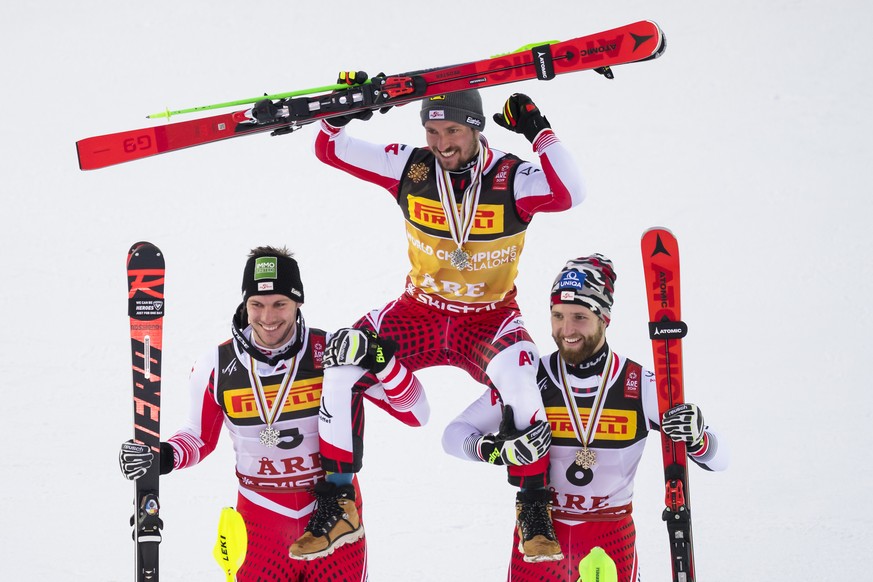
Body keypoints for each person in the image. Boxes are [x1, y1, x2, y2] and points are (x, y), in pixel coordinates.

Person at [290, 84, 586, 563]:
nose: (441, 142)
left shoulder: (511, 177)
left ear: (475, 127)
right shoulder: (412, 166)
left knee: (522, 380)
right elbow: (329, 148)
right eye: (431, 130)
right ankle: (339, 502)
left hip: (487, 320)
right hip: (419, 312)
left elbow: (570, 192)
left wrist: (539, 131)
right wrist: (344, 112)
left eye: (452, 130)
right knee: (340, 363)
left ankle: (534, 511)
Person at [118, 246, 429, 581]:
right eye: (257, 305)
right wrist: (164, 456)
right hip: (259, 524)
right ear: (245, 304)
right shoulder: (217, 364)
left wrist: (384, 362)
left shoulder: (332, 352)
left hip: (334, 521)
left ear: (298, 302)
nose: (268, 318)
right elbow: (198, 438)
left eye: (280, 304)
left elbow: (413, 413)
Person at [441, 254, 729, 581]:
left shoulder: (638, 385)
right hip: (540, 533)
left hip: (609, 535)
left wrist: (699, 437)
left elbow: (721, 459)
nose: (566, 330)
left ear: (604, 317)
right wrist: (495, 450)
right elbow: (453, 435)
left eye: (579, 316)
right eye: (557, 315)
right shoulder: (529, 377)